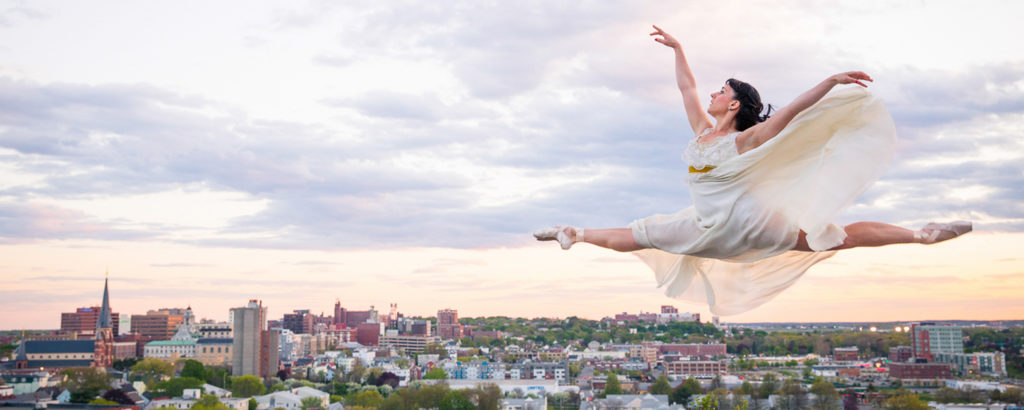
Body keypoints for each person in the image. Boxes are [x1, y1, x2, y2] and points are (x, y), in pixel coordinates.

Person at [534, 25, 971, 315]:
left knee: (839, 237)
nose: (712, 93)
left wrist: (830, 81)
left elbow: (794, 112)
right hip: (706, 226)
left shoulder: (745, 140)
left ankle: (922, 234)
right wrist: (679, 49)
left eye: (721, 91)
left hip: (749, 223)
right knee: (637, 235)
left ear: (735, 104)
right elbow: (686, 87)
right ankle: (574, 232)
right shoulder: (702, 133)